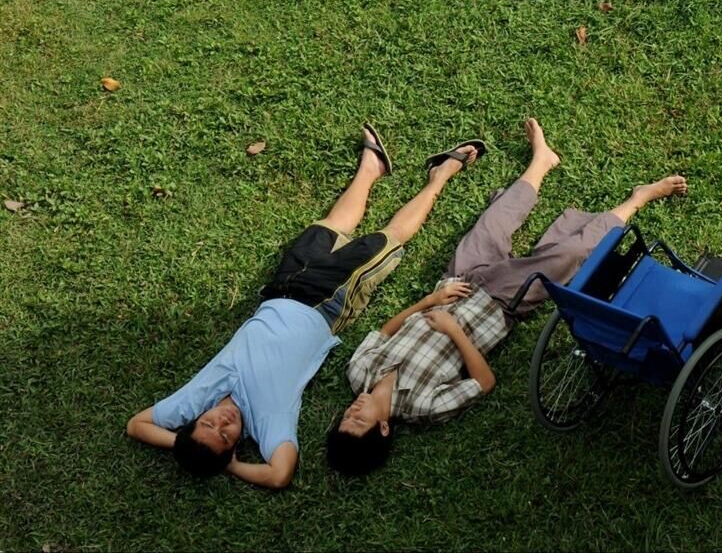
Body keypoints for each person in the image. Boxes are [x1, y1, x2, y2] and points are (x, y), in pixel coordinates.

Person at [126, 124, 485, 488]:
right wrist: (225, 464)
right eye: (224, 436)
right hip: (326, 304)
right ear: (235, 446)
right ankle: (441, 176)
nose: (221, 422)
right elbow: (279, 474)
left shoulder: (194, 400)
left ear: (193, 421)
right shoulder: (268, 419)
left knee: (328, 227)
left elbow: (137, 425)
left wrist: (189, 445)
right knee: (384, 239)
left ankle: (371, 168)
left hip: (279, 291)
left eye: (207, 424)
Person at [326, 118, 689, 475]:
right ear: (384, 428)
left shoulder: (358, 372)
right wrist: (453, 329)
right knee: (567, 256)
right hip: (497, 307)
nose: (352, 411)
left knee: (493, 221)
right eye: (358, 422)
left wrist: (429, 303)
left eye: (345, 417)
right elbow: (484, 383)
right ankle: (637, 199)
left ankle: (541, 162)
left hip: (455, 283)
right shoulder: (423, 408)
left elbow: (387, 331)